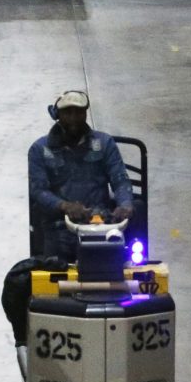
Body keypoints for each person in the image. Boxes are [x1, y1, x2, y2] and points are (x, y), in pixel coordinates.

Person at [28, 90, 133, 257]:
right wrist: (65, 206)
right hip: (59, 227)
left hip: (101, 224)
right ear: (57, 115)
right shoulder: (40, 149)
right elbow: (38, 191)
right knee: (54, 261)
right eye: (68, 112)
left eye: (79, 112)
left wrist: (125, 205)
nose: (73, 118)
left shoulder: (104, 143)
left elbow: (120, 180)